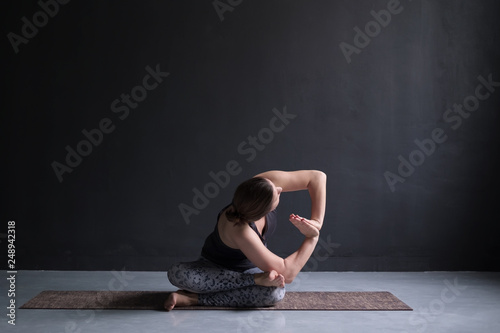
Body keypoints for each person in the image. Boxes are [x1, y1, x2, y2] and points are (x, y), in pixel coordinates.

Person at [165, 170, 327, 310]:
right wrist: (312, 237)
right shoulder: (240, 230)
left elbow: (317, 177)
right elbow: (288, 273)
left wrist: (317, 222)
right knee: (177, 273)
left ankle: (192, 298)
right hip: (212, 269)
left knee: (275, 293)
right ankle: (202, 297)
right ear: (262, 210)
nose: (279, 189)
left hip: (249, 268)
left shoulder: (261, 185)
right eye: (276, 194)